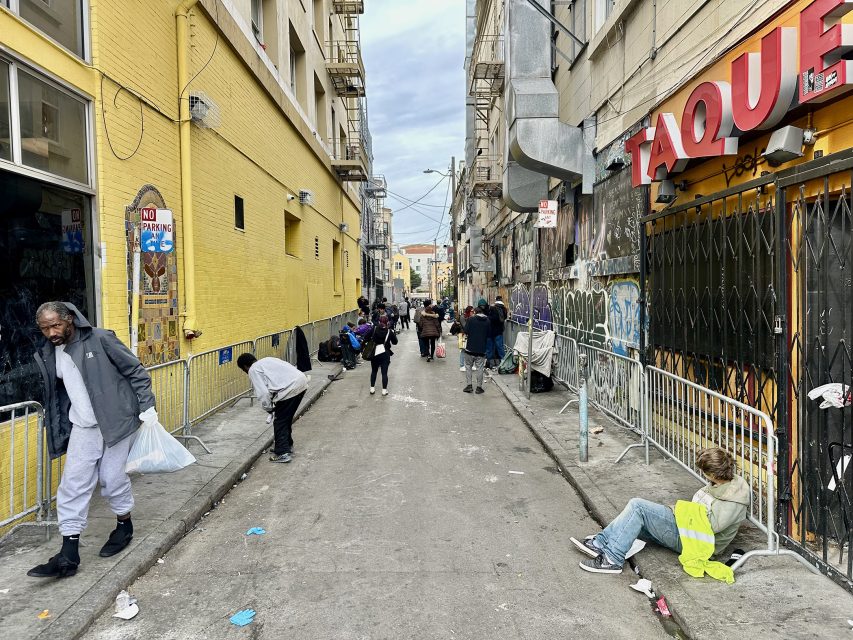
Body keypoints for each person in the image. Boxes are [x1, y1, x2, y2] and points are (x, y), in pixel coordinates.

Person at [28, 301, 156, 579]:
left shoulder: (101, 338)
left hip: (116, 421)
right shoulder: (50, 352)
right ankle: (68, 554)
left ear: (70, 319)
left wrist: (147, 407)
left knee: (111, 478)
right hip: (83, 425)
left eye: (56, 325)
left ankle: (124, 525)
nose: (51, 332)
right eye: (44, 328)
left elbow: (135, 371)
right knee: (73, 483)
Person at [571, 448, 750, 575]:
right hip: (687, 531)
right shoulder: (720, 484)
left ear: (713, 474)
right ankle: (601, 543)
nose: (703, 476)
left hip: (697, 543)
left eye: (704, 472)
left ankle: (612, 560)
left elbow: (710, 527)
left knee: (638, 507)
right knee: (635, 518)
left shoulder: (733, 498)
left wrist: (682, 512)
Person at [238, 353, 308, 464]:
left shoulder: (253, 370)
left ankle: (283, 453)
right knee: (286, 419)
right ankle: (285, 445)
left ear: (245, 367)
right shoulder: (267, 360)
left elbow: (263, 393)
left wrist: (268, 408)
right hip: (301, 382)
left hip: (290, 389)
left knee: (280, 421)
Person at [463, 299, 491, 394]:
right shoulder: (487, 321)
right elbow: (489, 335)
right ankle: (479, 387)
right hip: (481, 349)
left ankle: (469, 386)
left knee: (468, 367)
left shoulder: (471, 319)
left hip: (470, 348)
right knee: (480, 368)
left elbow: (466, 331)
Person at [368, 316, 398, 396]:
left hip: (375, 353)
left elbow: (366, 337)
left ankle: (372, 388)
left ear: (378, 321)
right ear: (387, 322)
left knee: (374, 371)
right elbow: (395, 342)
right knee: (384, 373)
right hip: (385, 353)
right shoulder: (389, 331)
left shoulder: (374, 329)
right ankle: (384, 390)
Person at [451, 306, 475, 372]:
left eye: (473, 311)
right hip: (462, 335)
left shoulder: (472, 317)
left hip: (470, 335)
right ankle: (462, 365)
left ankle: (472, 365)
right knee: (463, 350)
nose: (473, 313)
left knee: (472, 351)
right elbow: (465, 326)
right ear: (468, 311)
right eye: (472, 311)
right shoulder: (462, 317)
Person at [487, 296, 508, 368]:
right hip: (499, 331)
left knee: (490, 348)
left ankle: (489, 363)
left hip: (491, 331)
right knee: (500, 347)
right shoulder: (504, 309)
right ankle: (504, 363)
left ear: (496, 300)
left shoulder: (492, 308)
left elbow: (490, 318)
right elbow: (504, 318)